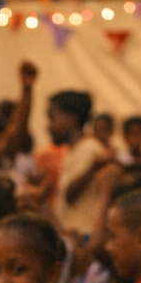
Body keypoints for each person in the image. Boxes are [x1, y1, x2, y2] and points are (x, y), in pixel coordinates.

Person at [50, 91, 113, 238]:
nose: (49, 126)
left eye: (53, 118)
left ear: (70, 119)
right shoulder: (73, 151)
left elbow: (70, 194)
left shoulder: (90, 149)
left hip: (84, 235)